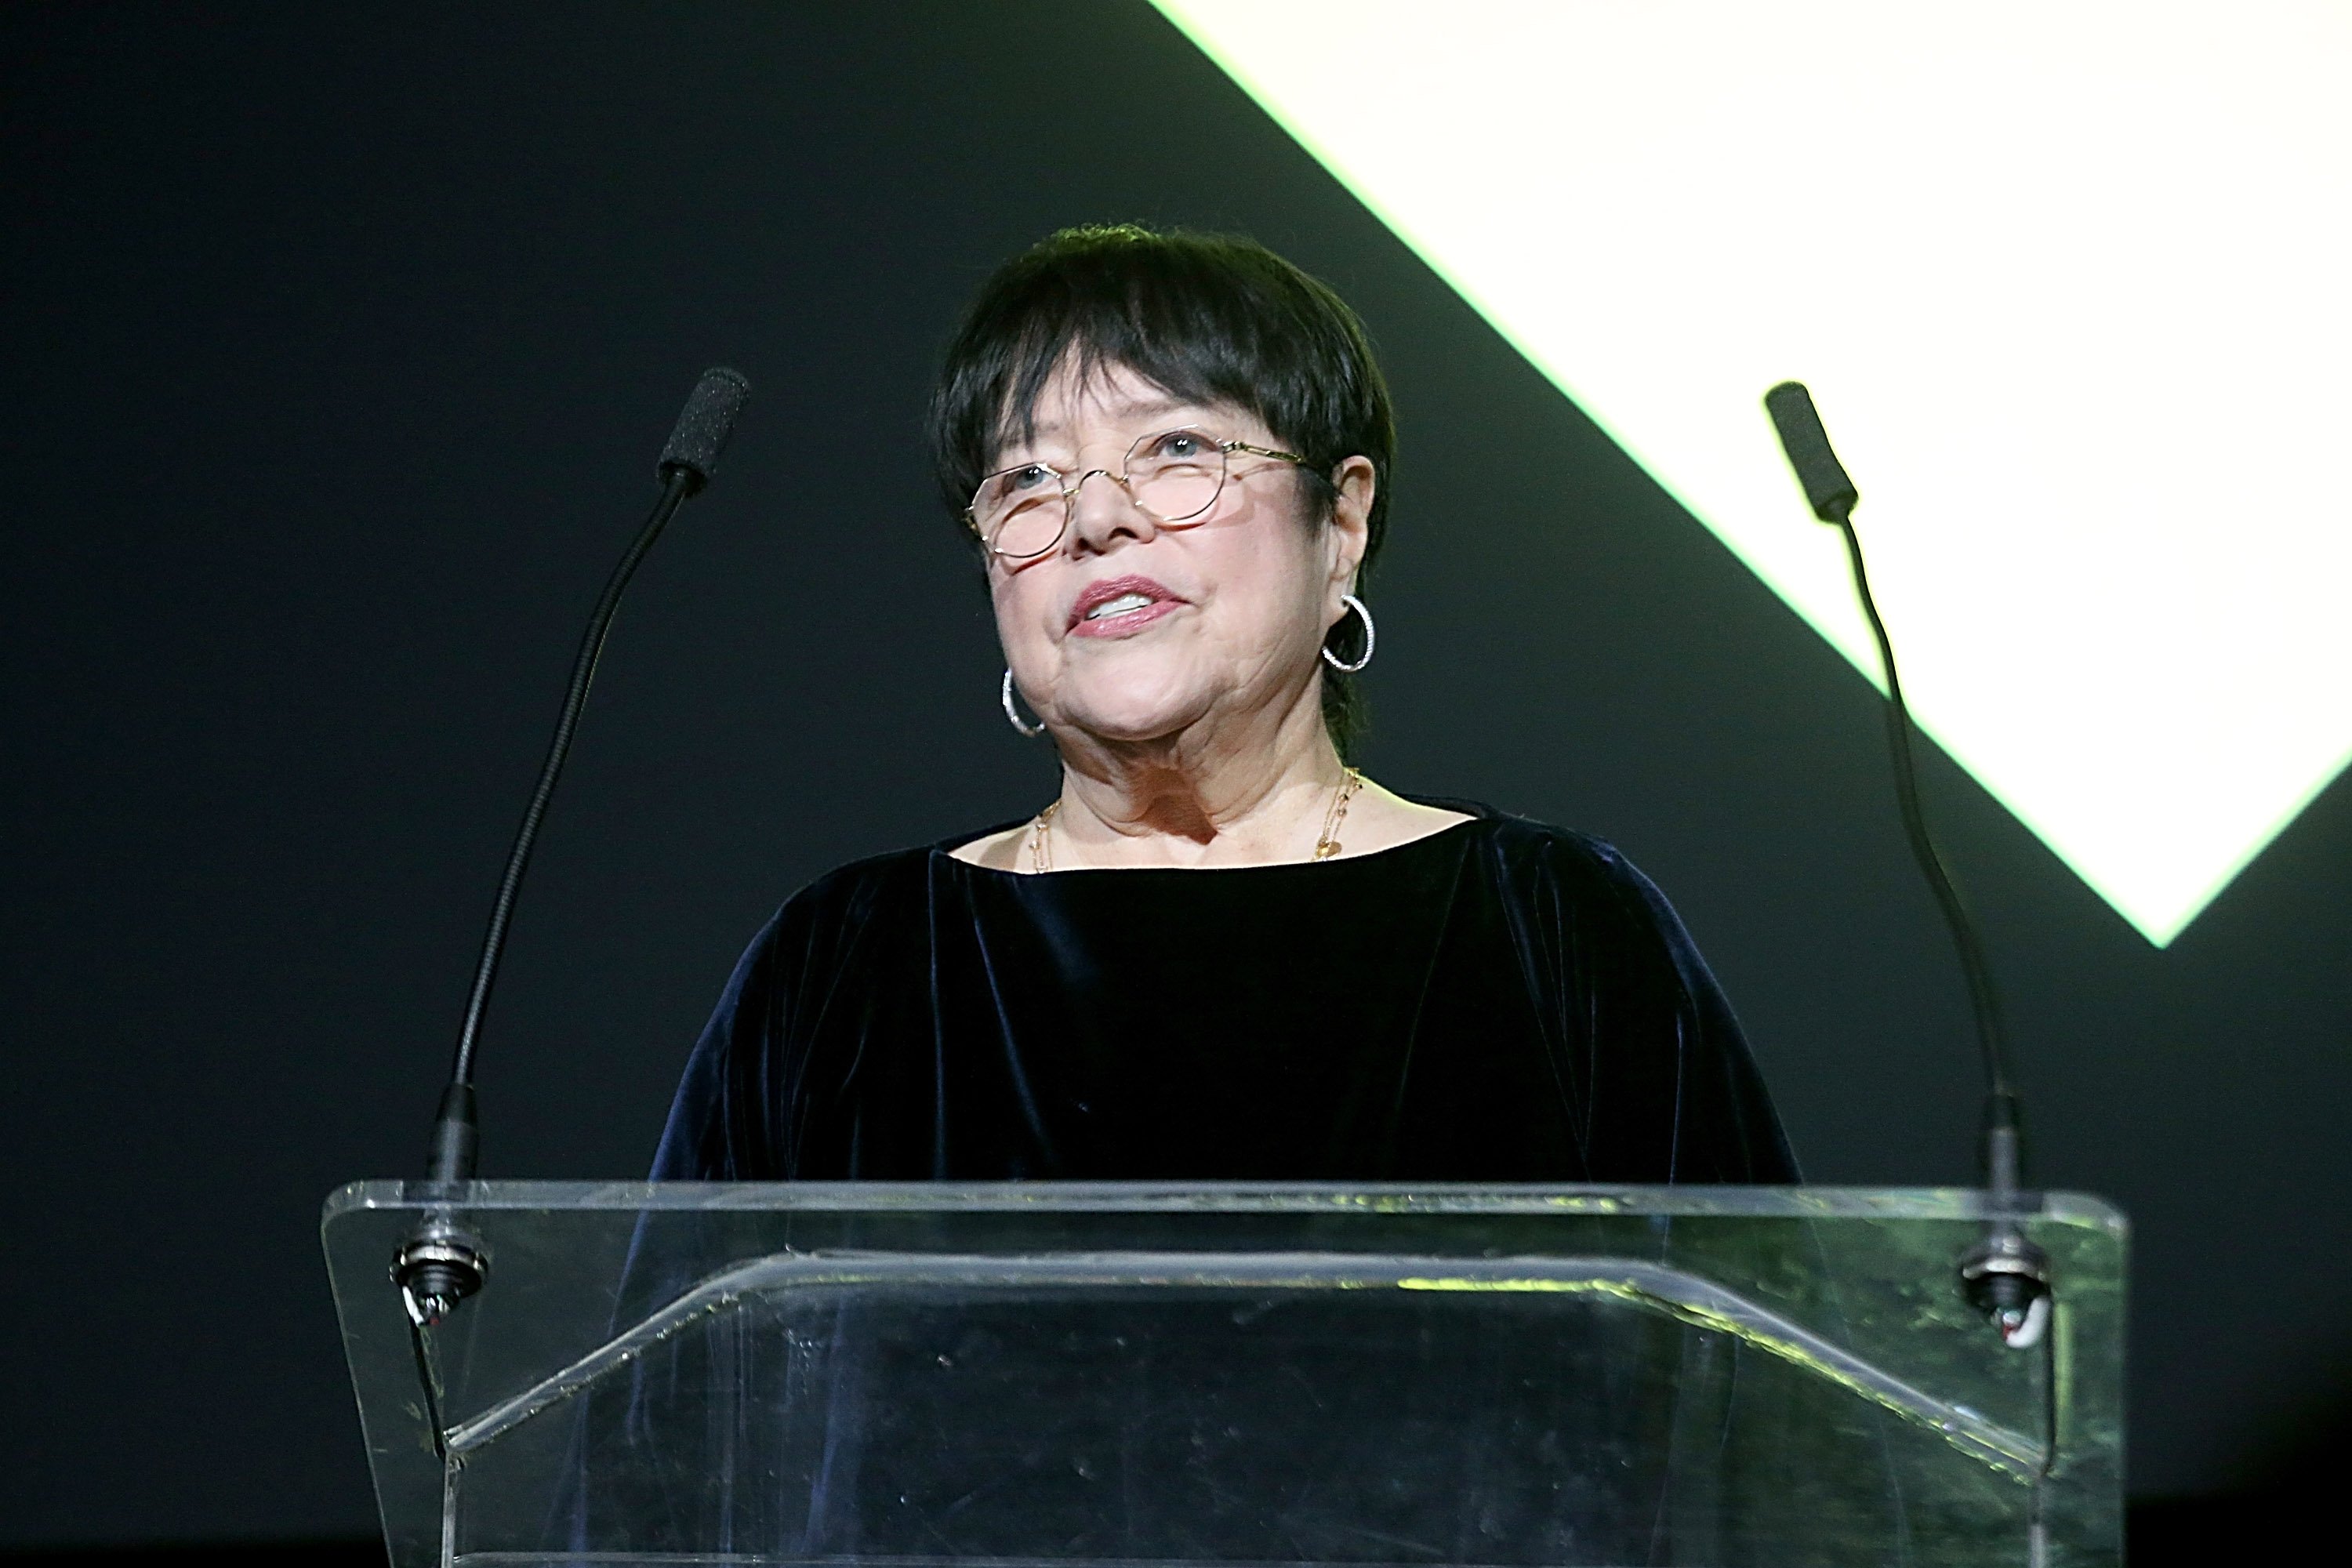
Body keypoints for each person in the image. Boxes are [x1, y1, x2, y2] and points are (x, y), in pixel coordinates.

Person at [652, 223, 1795, 1186]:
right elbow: (667, 1422)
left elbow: (1767, 1402)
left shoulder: (1554, 931)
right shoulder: (847, 965)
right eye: (1029, 479)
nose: (1097, 519)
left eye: (1177, 448)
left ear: (1340, 522)